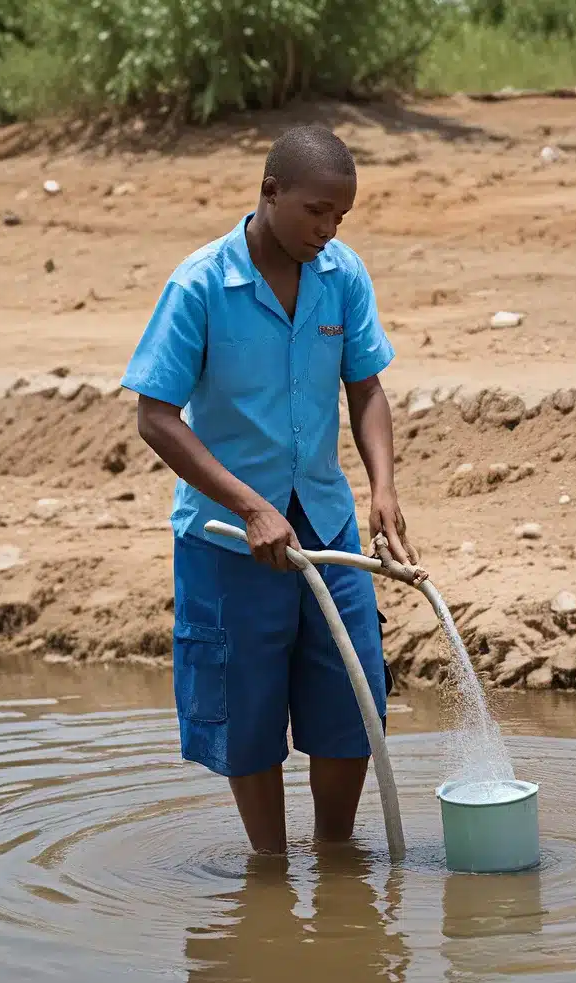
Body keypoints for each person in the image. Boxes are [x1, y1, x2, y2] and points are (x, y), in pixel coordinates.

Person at [121, 125, 418, 856]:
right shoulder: (200, 284)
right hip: (226, 538)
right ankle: (270, 868)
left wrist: (383, 487)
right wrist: (250, 506)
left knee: (354, 700)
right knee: (247, 710)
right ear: (270, 192)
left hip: (324, 523)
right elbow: (155, 418)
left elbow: (366, 385)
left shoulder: (341, 275)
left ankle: (336, 855)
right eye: (317, 211)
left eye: (340, 217)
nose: (328, 230)